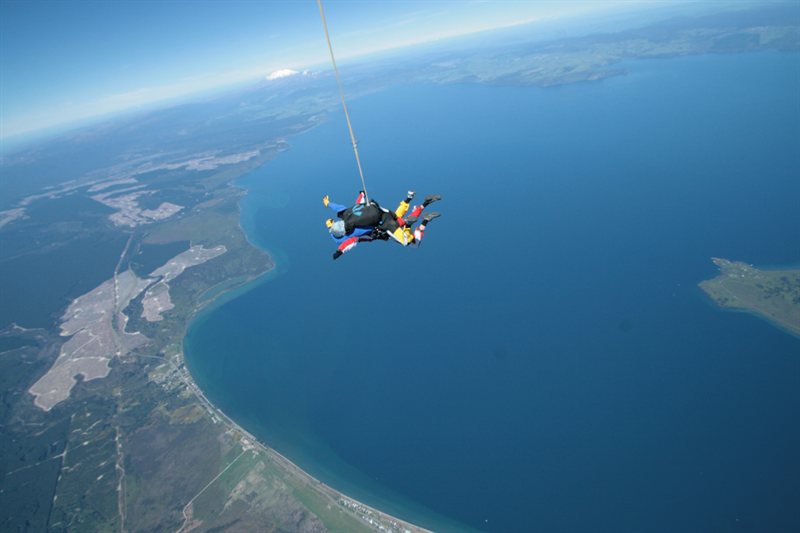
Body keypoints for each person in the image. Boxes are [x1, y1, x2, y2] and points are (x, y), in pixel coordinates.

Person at [324, 190, 441, 259]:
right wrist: (361, 194)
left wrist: (339, 251)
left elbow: (350, 242)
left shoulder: (353, 232)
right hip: (382, 211)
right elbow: (353, 204)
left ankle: (416, 217)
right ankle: (416, 201)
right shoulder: (347, 214)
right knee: (398, 217)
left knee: (408, 242)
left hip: (382, 227)